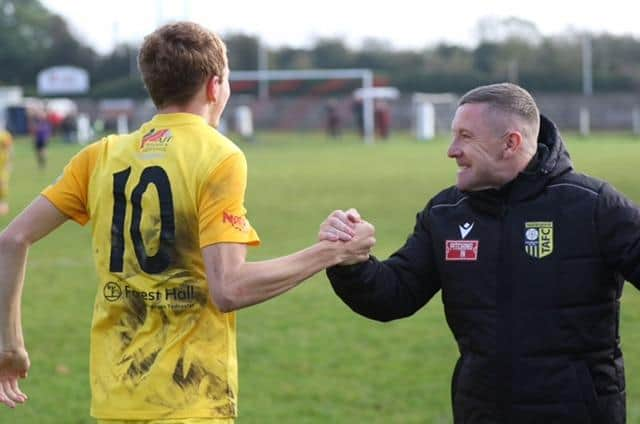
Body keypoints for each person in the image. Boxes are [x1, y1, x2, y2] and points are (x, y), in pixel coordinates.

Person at [0, 21, 374, 422]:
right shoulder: (218, 155)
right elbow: (229, 288)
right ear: (215, 86)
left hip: (115, 397)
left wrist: (9, 346)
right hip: (189, 400)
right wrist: (332, 252)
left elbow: (12, 239)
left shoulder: (101, 155)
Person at [319, 82, 640, 423]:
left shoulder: (593, 205)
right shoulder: (445, 213)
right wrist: (352, 263)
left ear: (510, 142)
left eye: (465, 136)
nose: (451, 150)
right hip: (480, 412)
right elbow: (393, 295)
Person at [0, 127, 13, 216]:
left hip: (2, 164)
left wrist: (9, 163)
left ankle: (2, 204)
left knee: (2, 184)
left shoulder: (4, 135)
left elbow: (9, 149)